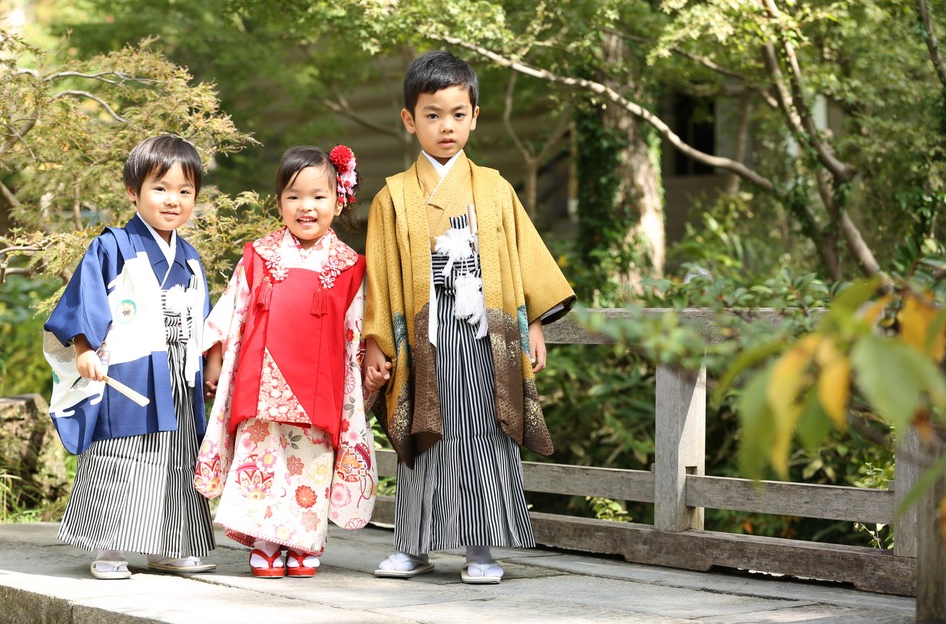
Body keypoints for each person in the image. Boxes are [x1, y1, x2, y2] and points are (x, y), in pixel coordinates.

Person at [363, 51, 576, 585]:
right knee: (423, 432)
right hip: (423, 336)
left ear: (475, 116)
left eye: (458, 114)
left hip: (484, 334)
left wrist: (532, 324)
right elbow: (380, 276)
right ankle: (412, 545)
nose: (447, 126)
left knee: (486, 435)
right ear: (409, 119)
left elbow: (523, 261)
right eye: (432, 115)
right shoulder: (393, 196)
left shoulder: (496, 189)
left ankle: (481, 550)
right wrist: (376, 342)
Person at [193, 145, 376, 579]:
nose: (306, 206)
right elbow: (231, 312)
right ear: (279, 203)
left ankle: (302, 542)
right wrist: (215, 358)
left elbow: (359, 329)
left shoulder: (350, 267)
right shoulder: (259, 256)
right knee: (263, 457)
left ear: (338, 202)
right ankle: (265, 540)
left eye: (318, 196)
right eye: (294, 196)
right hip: (261, 380)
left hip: (320, 383)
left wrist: (370, 361)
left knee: (309, 463)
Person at [42, 135, 217, 580]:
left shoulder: (190, 259)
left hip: (178, 375)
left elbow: (206, 320)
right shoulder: (112, 246)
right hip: (130, 371)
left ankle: (168, 545)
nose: (173, 200)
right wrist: (84, 349)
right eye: (160, 188)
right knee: (121, 457)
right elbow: (84, 303)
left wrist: (210, 365)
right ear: (132, 191)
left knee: (177, 458)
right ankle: (109, 549)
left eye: (185, 191)